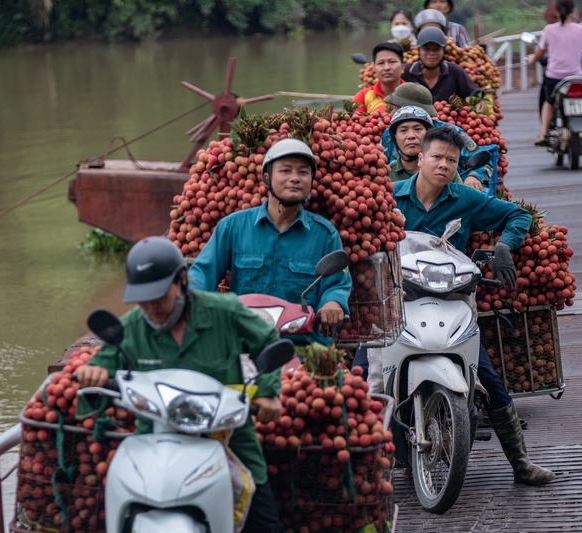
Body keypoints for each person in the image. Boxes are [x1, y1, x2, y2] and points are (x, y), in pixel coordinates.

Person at [77, 236, 303, 533]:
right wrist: (93, 376)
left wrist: (268, 391)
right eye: (142, 299)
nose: (152, 306)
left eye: (159, 295)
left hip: (228, 440)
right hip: (154, 442)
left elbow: (268, 340)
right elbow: (101, 370)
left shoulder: (223, 311)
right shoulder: (131, 328)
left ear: (181, 280)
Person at [354, 127, 556, 487]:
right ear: (420, 158)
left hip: (449, 306)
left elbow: (518, 216)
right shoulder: (389, 197)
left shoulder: (466, 199)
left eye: (451, 160)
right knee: (360, 381)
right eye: (437, 157)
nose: (443, 164)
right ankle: (359, 473)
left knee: (490, 382)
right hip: (394, 306)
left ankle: (520, 462)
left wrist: (505, 246)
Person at [188, 138, 352, 340]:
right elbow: (202, 273)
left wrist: (332, 304)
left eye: (303, 172)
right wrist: (191, 298)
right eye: (285, 171)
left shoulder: (325, 234)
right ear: (267, 177)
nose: (295, 178)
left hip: (302, 345)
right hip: (242, 341)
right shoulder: (233, 227)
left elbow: (337, 284)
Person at [383, 84, 499, 193]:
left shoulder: (449, 133)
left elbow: (483, 159)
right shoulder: (389, 135)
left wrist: (474, 176)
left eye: (396, 108)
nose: (391, 112)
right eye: (403, 130)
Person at [528, 0, 582, 146]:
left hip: (555, 77)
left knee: (548, 101)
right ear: (572, 11)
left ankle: (543, 133)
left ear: (556, 12)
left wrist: (532, 59)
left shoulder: (549, 30)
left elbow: (540, 53)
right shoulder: (581, 30)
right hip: (577, 77)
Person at [403, 27, 479, 102]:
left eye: (436, 49)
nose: (432, 53)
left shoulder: (454, 71)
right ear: (419, 51)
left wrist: (477, 111)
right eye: (426, 49)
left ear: (444, 51)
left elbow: (477, 96)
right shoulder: (407, 71)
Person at [352, 42, 406, 114]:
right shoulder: (362, 97)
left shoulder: (414, 95)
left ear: (402, 67)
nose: (386, 68)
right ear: (374, 68)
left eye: (392, 62)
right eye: (381, 63)